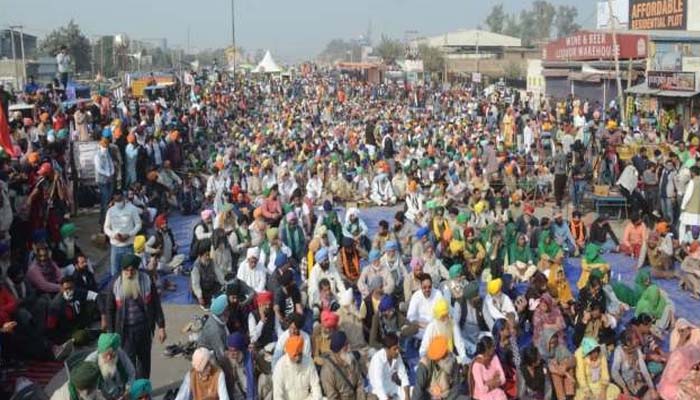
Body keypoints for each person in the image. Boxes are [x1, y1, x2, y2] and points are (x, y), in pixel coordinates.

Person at [103, 254, 166, 378]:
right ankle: (132, 392)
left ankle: (143, 390)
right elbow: (109, 309)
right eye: (126, 270)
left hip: (144, 328)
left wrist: (161, 326)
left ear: (137, 270)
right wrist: (110, 333)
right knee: (128, 364)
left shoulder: (146, 280)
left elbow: (155, 303)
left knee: (144, 362)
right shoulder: (115, 284)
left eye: (132, 270)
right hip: (125, 332)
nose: (129, 274)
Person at [84, 333, 137, 400]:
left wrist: (128, 390)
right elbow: (86, 390)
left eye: (112, 354)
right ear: (100, 351)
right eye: (106, 354)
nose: (109, 358)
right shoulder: (90, 362)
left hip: (121, 394)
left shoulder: (120, 354)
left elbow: (131, 372)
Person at [414, 335, 468, 400]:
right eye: (443, 356)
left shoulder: (452, 360)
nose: (446, 357)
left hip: (447, 395)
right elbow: (418, 389)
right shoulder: (425, 364)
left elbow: (456, 385)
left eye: (446, 354)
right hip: (429, 396)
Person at [610, 329, 658, 400]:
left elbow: (644, 370)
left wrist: (652, 387)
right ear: (628, 342)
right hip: (623, 385)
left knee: (655, 396)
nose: (638, 340)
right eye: (635, 338)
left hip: (636, 383)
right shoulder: (619, 351)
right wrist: (624, 388)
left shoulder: (637, 350)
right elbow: (614, 372)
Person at [419, 298, 468, 364]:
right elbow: (423, 348)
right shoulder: (432, 327)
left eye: (447, 315)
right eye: (443, 317)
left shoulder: (452, 323)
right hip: (435, 359)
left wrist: (463, 356)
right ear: (438, 317)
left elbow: (459, 342)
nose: (446, 319)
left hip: (449, 357)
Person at [319, 331, 366, 400]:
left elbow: (360, 383)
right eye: (346, 345)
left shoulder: (351, 359)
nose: (349, 348)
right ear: (338, 350)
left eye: (348, 343)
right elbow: (332, 396)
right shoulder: (328, 370)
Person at [104, 192, 142, 277]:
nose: (118, 202)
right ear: (113, 200)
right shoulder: (110, 211)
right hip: (115, 247)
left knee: (131, 272)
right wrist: (114, 235)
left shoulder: (132, 209)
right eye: (116, 200)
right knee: (115, 273)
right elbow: (106, 228)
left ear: (124, 198)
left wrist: (129, 234)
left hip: (128, 246)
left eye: (120, 199)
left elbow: (138, 224)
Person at [272, 335, 322, 400]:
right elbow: (277, 396)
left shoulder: (308, 361)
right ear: (289, 354)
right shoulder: (280, 366)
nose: (298, 358)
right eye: (295, 355)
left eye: (300, 354)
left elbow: (315, 386)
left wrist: (317, 398)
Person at [369, 333, 411, 400]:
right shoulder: (378, 360)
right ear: (387, 349)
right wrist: (385, 397)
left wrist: (407, 396)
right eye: (394, 349)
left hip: (391, 385)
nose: (397, 351)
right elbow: (378, 386)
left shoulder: (397, 355)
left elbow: (403, 375)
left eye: (398, 347)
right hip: (376, 390)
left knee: (412, 392)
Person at [538, 328, 575, 400]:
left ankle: (569, 394)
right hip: (547, 375)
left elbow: (573, 359)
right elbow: (549, 367)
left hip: (561, 372)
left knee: (566, 361)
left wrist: (566, 365)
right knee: (555, 374)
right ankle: (561, 397)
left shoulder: (560, 348)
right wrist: (564, 372)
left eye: (554, 342)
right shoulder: (541, 352)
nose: (553, 345)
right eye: (551, 343)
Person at [407, 273, 444, 340]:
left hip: (436, 326)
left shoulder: (438, 294)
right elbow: (410, 317)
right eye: (424, 287)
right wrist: (421, 324)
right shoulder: (416, 296)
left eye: (429, 287)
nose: (427, 289)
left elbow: (443, 312)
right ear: (420, 286)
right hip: (420, 328)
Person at [471, 336, 507, 400]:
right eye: (493, 346)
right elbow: (482, 389)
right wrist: (494, 380)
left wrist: (488, 383)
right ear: (487, 349)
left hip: (496, 392)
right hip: (481, 396)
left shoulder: (494, 357)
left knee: (500, 395)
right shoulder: (477, 365)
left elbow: (503, 379)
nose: (494, 348)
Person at [222, 333, 256, 400]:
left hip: (251, 392)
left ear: (241, 350)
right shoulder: (226, 362)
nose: (231, 354)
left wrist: (256, 357)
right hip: (237, 394)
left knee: (264, 379)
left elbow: (267, 370)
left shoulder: (250, 358)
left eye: (234, 351)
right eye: (230, 350)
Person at [191, 242, 226, 308]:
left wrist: (224, 284)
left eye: (208, 255)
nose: (208, 257)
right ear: (200, 256)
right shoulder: (196, 267)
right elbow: (195, 284)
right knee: (206, 299)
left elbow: (219, 274)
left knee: (221, 291)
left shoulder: (212, 262)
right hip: (202, 288)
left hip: (211, 285)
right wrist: (200, 297)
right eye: (205, 255)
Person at [198, 294, 230, 361]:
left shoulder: (217, 318)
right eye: (227, 309)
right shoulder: (216, 331)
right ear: (223, 312)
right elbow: (221, 355)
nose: (229, 311)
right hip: (208, 354)